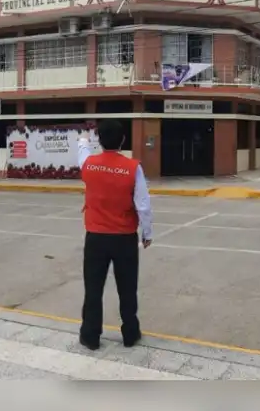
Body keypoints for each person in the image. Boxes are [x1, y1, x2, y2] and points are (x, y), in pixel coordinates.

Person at [76, 121, 153, 351]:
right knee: (127, 289)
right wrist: (147, 233)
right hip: (124, 238)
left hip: (96, 237)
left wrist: (83, 139)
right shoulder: (132, 168)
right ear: (123, 141)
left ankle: (90, 336)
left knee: (93, 289)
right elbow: (143, 205)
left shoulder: (88, 165)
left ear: (100, 140)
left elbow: (81, 151)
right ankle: (130, 333)